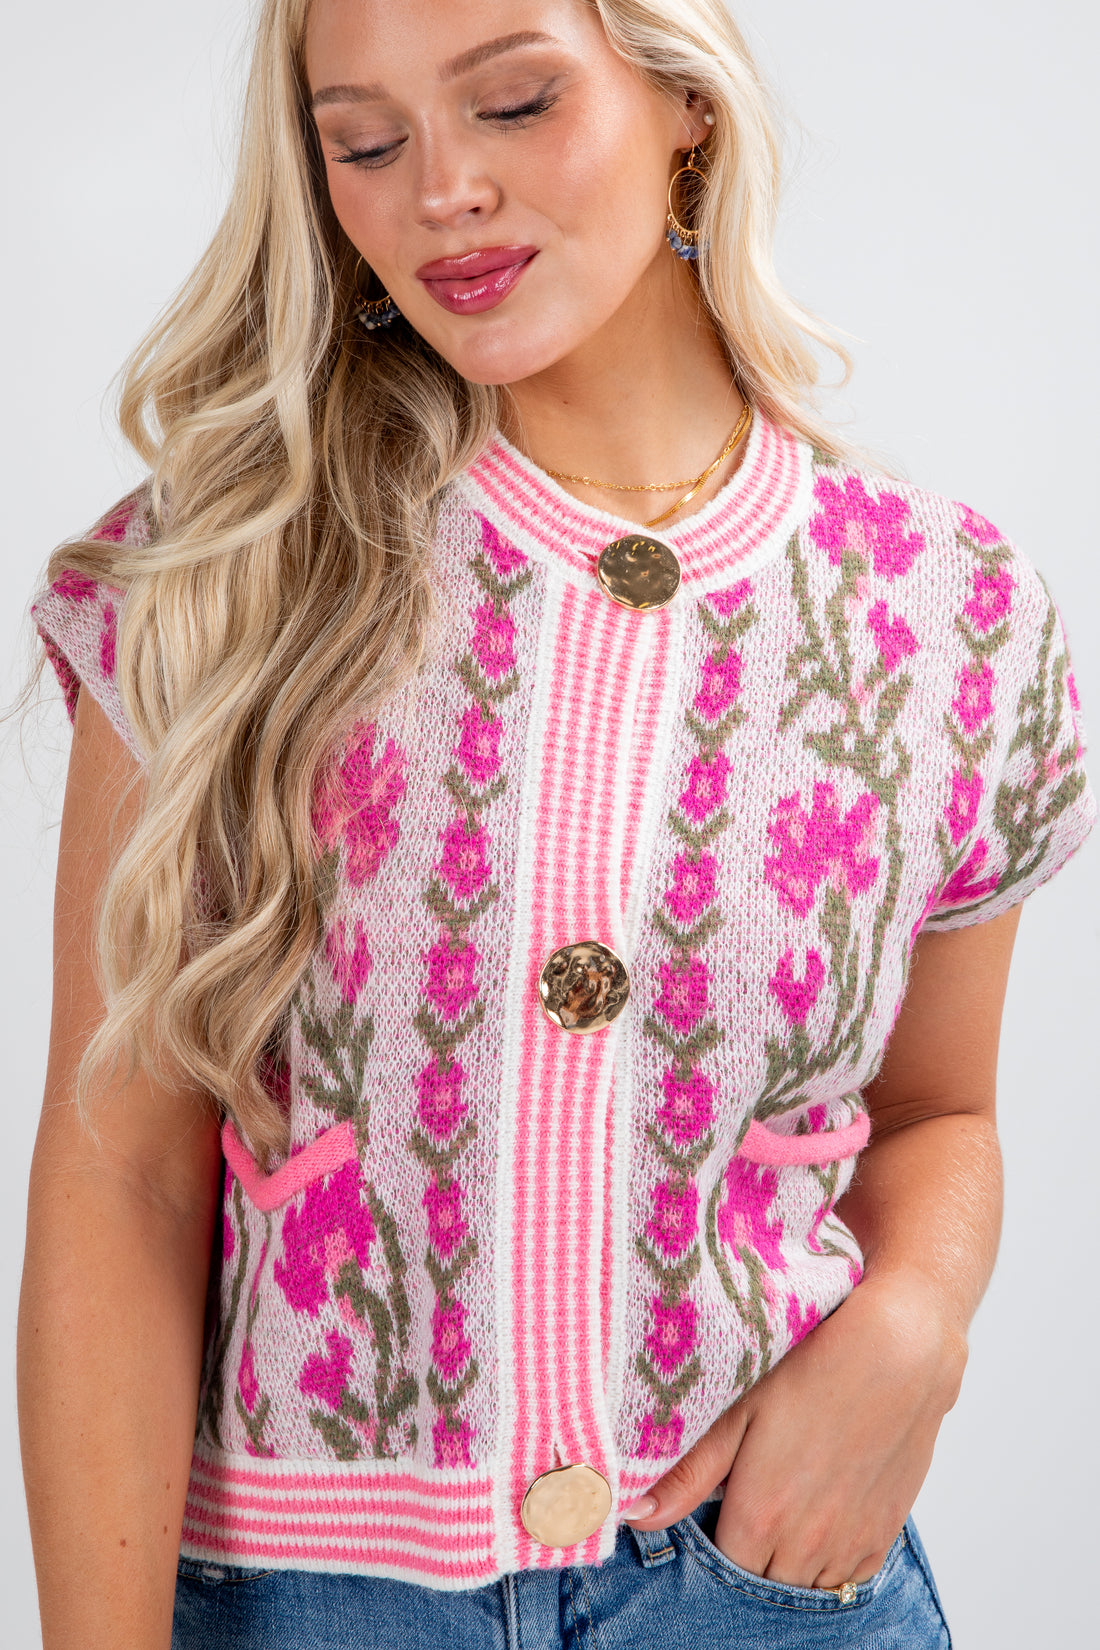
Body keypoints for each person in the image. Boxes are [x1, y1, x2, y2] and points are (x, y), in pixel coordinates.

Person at [16, 1, 1096, 1647]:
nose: (440, 187)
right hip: (309, 1599)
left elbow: (939, 1112)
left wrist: (919, 1319)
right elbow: (123, 1181)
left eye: (514, 103)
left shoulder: (944, 613)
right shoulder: (219, 582)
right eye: (365, 141)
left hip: (769, 1580)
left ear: (686, 102)